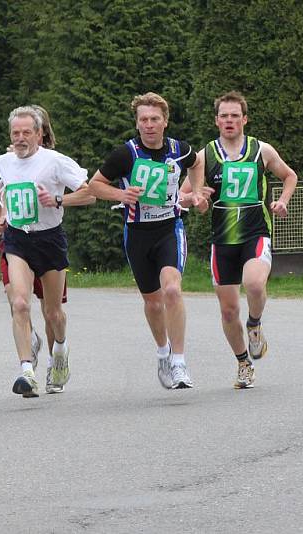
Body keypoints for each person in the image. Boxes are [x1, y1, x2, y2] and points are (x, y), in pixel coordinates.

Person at [181, 91, 297, 389]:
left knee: (255, 283)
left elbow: (289, 176)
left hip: (256, 233)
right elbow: (184, 195)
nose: (229, 120)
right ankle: (244, 363)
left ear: (244, 119)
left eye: (235, 115)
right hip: (222, 240)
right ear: (216, 120)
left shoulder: (261, 150)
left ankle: (255, 324)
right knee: (229, 309)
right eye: (224, 116)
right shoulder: (205, 156)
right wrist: (198, 199)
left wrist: (283, 201)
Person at [89, 92, 204, 390]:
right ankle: (163, 352)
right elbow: (95, 185)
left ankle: (179, 363)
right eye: (143, 120)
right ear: (137, 123)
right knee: (153, 303)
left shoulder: (179, 149)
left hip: (170, 228)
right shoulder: (125, 154)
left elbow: (197, 162)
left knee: (172, 290)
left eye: (154, 119)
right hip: (137, 233)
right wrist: (121, 194)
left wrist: (194, 192)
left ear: (165, 122)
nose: (149, 125)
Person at [0, 106, 90, 397]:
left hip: (49, 240)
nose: (20, 138)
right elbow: (0, 189)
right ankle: (27, 371)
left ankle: (59, 351)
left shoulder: (56, 162)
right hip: (17, 239)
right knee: (20, 304)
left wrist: (58, 199)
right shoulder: (4, 161)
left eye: (26, 132)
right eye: (15, 133)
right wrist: (0, 216)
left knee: (53, 313)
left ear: (39, 133)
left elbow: (89, 193)